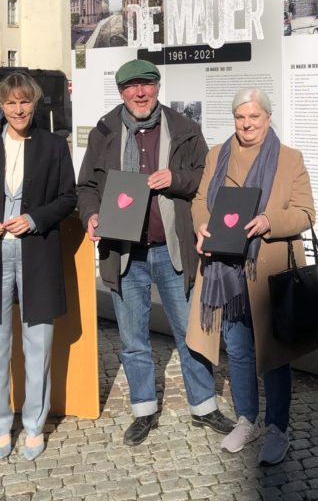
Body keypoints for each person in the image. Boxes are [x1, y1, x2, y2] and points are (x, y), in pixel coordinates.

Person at [76, 59, 233, 446]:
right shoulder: (105, 131)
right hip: (125, 251)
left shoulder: (183, 128)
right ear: (121, 93)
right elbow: (86, 187)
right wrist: (92, 215)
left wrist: (175, 179)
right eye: (131, 87)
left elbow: (204, 179)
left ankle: (204, 406)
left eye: (146, 85)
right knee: (132, 338)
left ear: (157, 87)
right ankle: (144, 409)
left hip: (172, 250)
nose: (140, 93)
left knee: (190, 332)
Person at [186, 87, 317, 466]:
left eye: (254, 117)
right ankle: (247, 419)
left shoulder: (289, 159)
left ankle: (278, 429)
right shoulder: (217, 155)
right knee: (239, 350)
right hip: (225, 270)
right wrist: (202, 225)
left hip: (267, 270)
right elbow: (198, 201)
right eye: (241, 118)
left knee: (273, 355)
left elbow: (307, 212)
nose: (247, 125)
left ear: (268, 118)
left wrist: (269, 221)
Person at [0, 73, 77, 461]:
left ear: (34, 103)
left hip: (36, 251)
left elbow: (68, 196)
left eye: (24, 102)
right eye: (10, 103)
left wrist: (35, 218)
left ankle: (35, 425)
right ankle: (2, 423)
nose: (18, 109)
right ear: (0, 106)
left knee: (37, 343)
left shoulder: (54, 146)